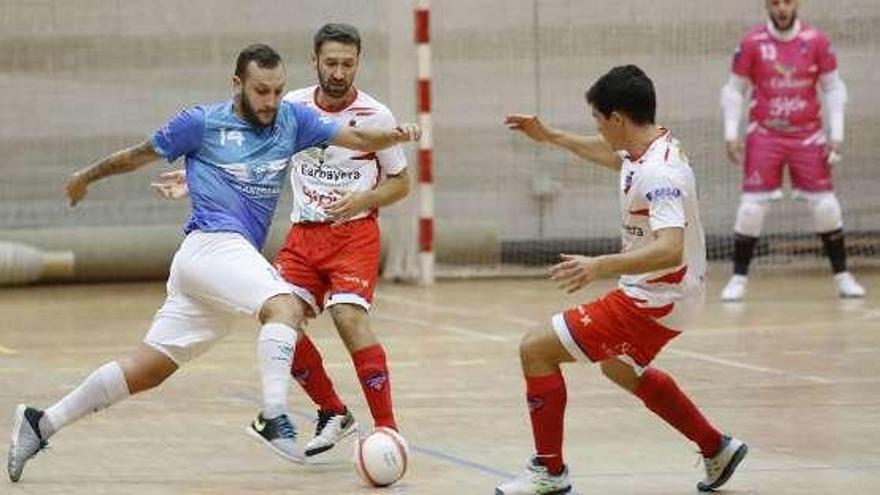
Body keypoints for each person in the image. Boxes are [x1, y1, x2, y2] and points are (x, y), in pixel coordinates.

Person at [7, 43, 420, 483]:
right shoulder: (200, 122)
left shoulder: (292, 120)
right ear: (237, 84)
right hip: (211, 245)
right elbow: (136, 154)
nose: (271, 101)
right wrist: (86, 176)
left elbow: (357, 137)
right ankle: (273, 415)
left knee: (149, 368)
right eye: (262, 91)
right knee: (284, 306)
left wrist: (396, 135)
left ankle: (40, 423)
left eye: (279, 91)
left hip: (214, 268)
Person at [152, 23, 411, 458]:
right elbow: (248, 156)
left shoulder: (376, 117)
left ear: (358, 64)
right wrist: (195, 176)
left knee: (348, 317)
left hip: (354, 235)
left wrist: (364, 197)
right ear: (315, 62)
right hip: (304, 234)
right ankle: (332, 412)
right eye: (331, 62)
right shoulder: (289, 106)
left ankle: (388, 429)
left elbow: (402, 183)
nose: (339, 71)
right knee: (278, 319)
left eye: (348, 64)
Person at [499, 65, 747, 494]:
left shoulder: (660, 174)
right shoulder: (650, 146)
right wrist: (552, 136)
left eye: (597, 118)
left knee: (535, 350)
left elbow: (670, 246)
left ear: (617, 119)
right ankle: (716, 447)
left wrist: (599, 266)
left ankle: (549, 471)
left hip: (655, 298)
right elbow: (607, 154)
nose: (596, 128)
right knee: (619, 368)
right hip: (670, 292)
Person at [719, 0, 865, 301]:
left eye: (787, 1)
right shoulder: (752, 43)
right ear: (767, 6)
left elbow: (834, 88)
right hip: (765, 135)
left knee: (826, 207)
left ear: (797, 3)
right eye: (775, 2)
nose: (782, 8)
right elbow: (734, 90)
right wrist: (730, 133)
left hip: (807, 136)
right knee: (750, 208)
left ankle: (842, 276)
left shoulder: (816, 41)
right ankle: (738, 279)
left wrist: (836, 134)